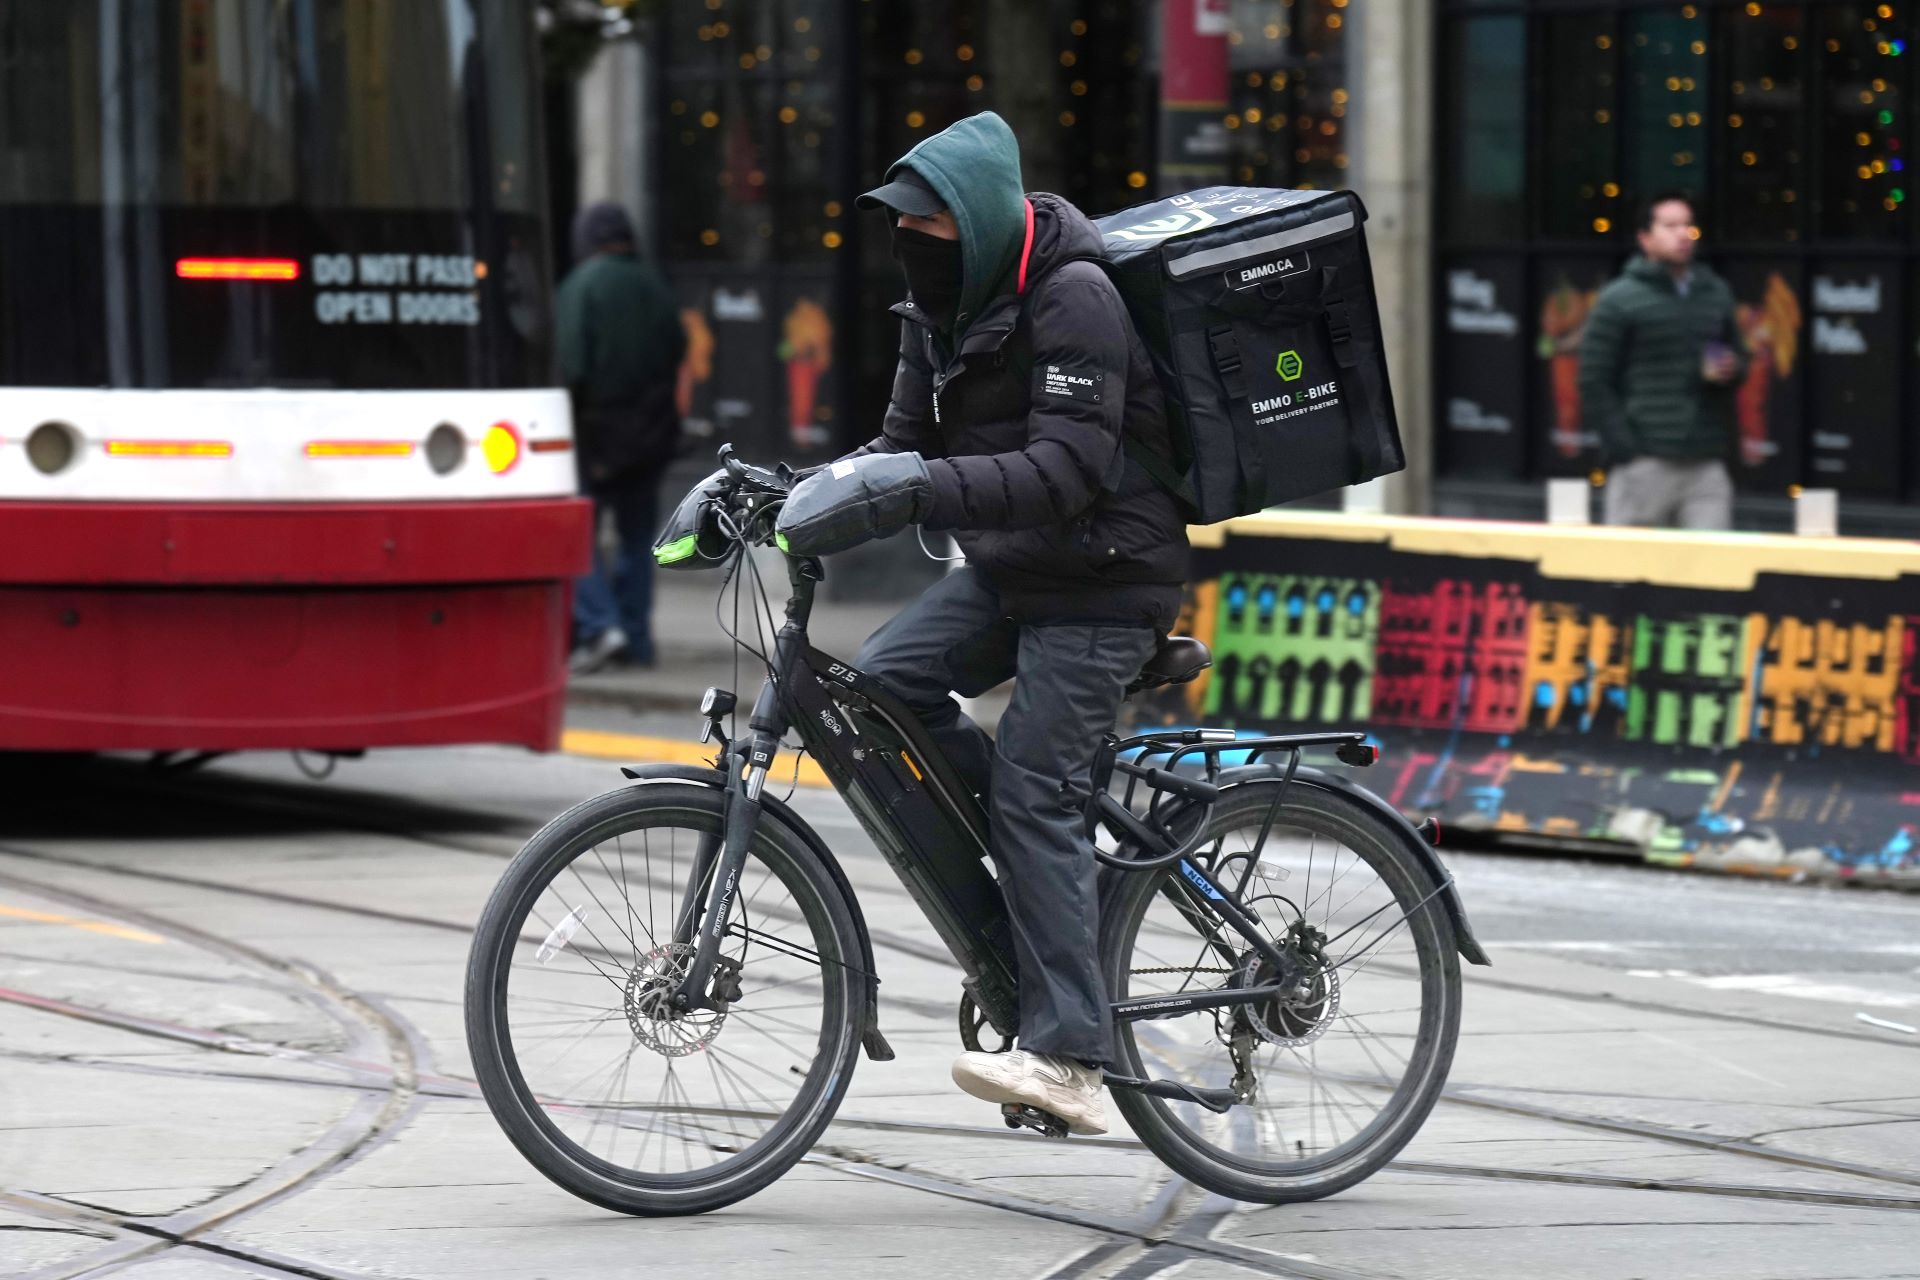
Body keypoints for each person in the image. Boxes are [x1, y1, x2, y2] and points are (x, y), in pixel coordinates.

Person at [772, 112, 1189, 1136]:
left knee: (1037, 790)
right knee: (881, 686)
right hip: (1015, 570)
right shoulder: (936, 310)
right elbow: (901, 444)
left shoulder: (1075, 298)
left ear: (985, 222)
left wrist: (915, 487)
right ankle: (1026, 914)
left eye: (934, 226)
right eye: (903, 226)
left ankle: (1074, 1056)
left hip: (1105, 576)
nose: (914, 242)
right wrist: (790, 488)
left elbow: (1066, 471)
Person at [557, 202, 688, 672]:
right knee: (637, 538)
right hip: (650, 433)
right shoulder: (653, 285)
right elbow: (677, 349)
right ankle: (636, 641)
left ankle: (599, 625)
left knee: (576, 534)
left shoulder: (581, 287)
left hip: (595, 432)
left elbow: (570, 365)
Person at [1580, 191, 1749, 530]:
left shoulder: (1714, 292)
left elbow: (1740, 355)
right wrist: (1627, 449)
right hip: (1646, 461)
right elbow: (1593, 379)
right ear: (1645, 238)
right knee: (1631, 573)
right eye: (1670, 225)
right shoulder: (1619, 299)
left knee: (1712, 573)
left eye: (1688, 225)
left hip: (1706, 461)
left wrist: (1733, 368)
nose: (1683, 234)